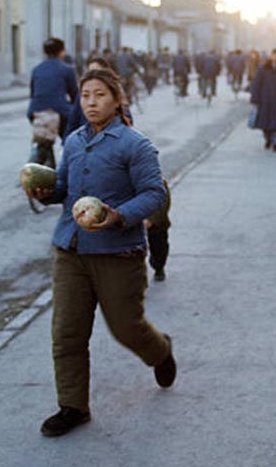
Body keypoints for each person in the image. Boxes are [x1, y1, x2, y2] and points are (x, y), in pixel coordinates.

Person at [25, 68, 176, 438]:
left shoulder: (135, 144)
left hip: (117, 253)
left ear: (117, 99)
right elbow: (64, 186)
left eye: (99, 95)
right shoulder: (74, 141)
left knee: (127, 328)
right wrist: (48, 193)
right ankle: (73, 406)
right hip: (71, 249)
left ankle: (160, 351)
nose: (91, 102)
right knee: (67, 334)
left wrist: (118, 215)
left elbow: (155, 194)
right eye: (85, 95)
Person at [28, 37, 78, 167]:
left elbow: (33, 94)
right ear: (62, 52)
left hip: (36, 112)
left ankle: (44, 168)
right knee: (71, 142)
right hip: (60, 112)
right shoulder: (67, 69)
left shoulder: (37, 69)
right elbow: (75, 95)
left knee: (44, 143)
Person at [145, 177, 171, 282]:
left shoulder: (157, 179)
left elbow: (163, 201)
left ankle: (158, 266)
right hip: (133, 221)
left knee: (159, 248)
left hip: (156, 222)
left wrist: (152, 220)